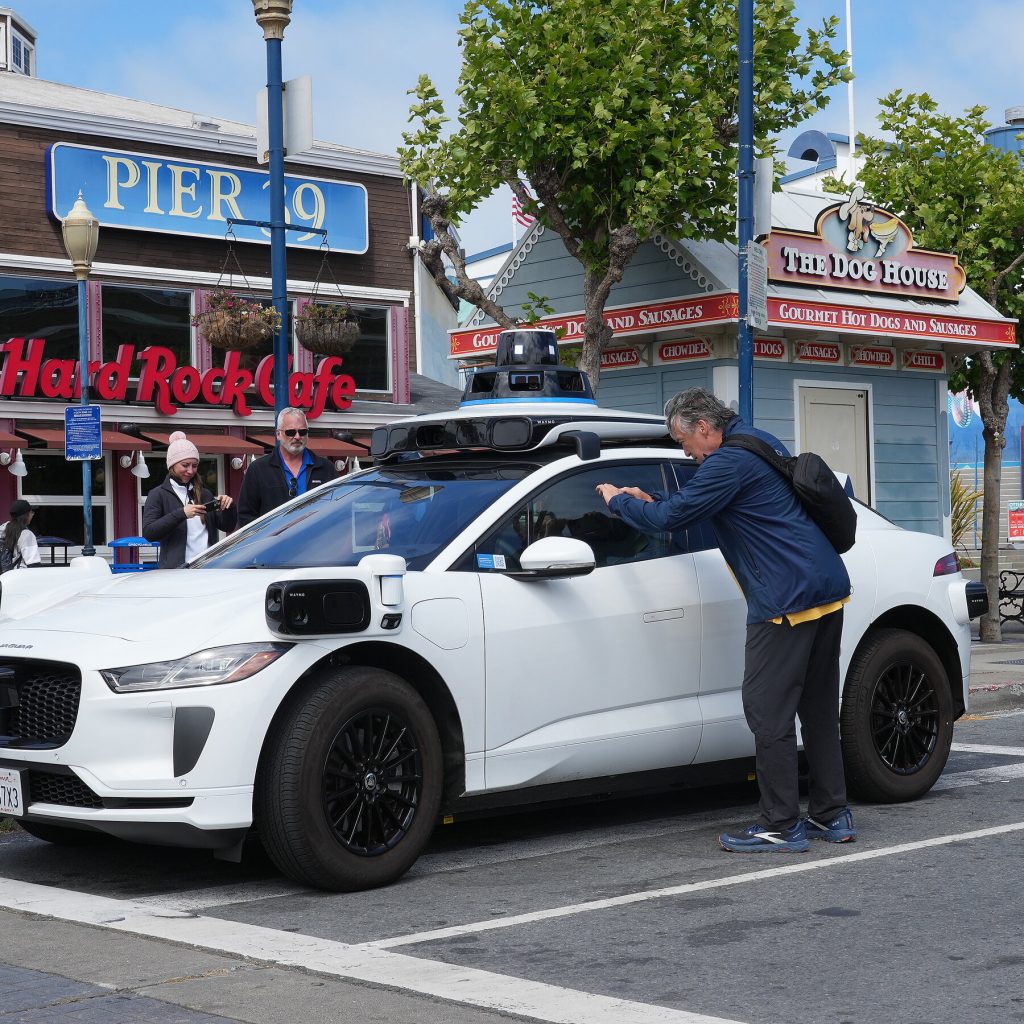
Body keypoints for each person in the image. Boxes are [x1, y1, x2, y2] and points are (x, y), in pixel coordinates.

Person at [596, 388, 856, 853]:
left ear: (702, 427)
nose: (685, 452)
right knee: (816, 710)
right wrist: (650, 497)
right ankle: (833, 815)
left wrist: (620, 502)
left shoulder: (726, 463)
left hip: (785, 601)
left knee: (767, 712)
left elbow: (675, 516)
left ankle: (780, 824)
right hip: (824, 587)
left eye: (683, 441)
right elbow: (710, 509)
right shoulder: (756, 441)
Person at [143, 431, 237, 569]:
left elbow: (226, 526)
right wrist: (182, 513)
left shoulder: (204, 494)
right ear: (172, 465)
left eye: (194, 465)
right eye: (185, 465)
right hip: (177, 572)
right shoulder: (158, 494)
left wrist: (229, 506)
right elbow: (149, 533)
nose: (191, 470)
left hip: (208, 567)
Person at [237, 407, 337, 527]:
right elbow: (245, 517)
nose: (297, 437)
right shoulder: (258, 469)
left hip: (316, 543)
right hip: (275, 544)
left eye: (302, 432)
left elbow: (338, 509)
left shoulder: (326, 468)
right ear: (278, 434)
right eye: (291, 432)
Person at [0, 499, 41, 571]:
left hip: (4, 577)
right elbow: (33, 564)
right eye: (31, 512)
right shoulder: (27, 535)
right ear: (26, 515)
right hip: (20, 577)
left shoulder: (3, 529)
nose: (32, 515)